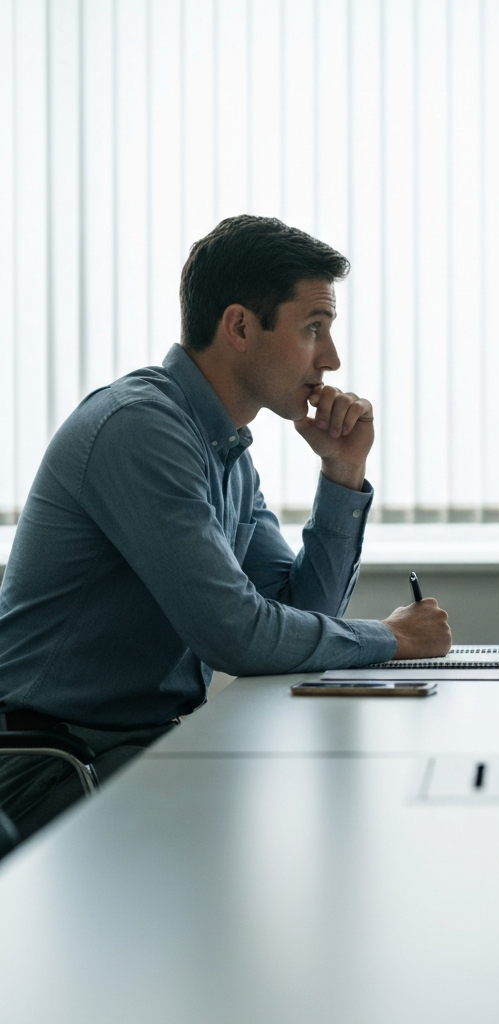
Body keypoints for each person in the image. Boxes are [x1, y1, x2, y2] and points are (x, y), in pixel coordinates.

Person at [0, 215, 450, 842]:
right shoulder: (141, 430)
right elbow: (238, 636)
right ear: (240, 326)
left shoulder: (224, 452)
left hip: (134, 752)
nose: (332, 358)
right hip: (50, 766)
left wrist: (342, 472)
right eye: (313, 328)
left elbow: (299, 608)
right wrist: (390, 639)